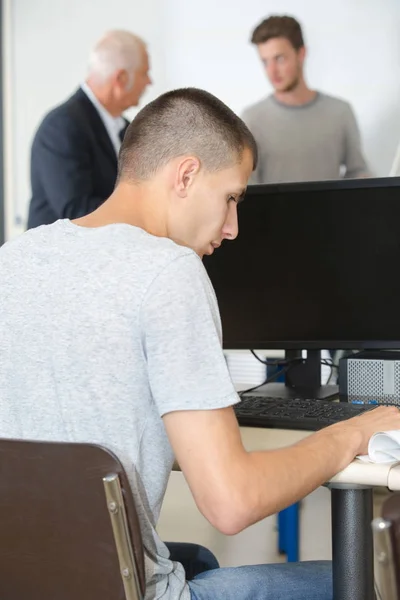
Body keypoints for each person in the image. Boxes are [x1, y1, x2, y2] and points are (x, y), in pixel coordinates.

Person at [1, 87, 399, 600]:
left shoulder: (15, 258)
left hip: (25, 581)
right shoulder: (168, 271)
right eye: (231, 197)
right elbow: (231, 501)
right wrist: (351, 431)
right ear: (186, 175)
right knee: (366, 580)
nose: (233, 228)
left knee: (195, 559)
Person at [27, 29, 151, 229]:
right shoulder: (62, 126)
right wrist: (148, 213)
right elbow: (75, 211)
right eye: (144, 73)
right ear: (121, 79)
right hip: (62, 257)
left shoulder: (127, 128)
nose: (149, 81)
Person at [242, 15, 369, 184]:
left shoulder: (340, 112)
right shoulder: (252, 120)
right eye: (265, 62)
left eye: (279, 59)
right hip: (273, 211)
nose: (272, 71)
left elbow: (359, 172)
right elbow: (247, 187)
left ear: (301, 54)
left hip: (332, 211)